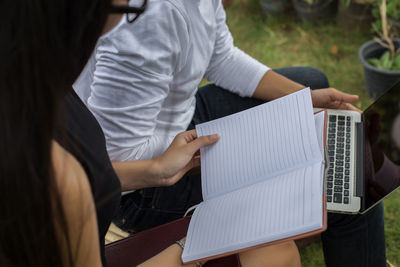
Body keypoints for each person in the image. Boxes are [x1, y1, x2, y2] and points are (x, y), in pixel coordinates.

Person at [74, 0, 387, 266]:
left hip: (179, 122)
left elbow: (220, 56)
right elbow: (117, 156)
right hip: (141, 190)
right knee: (349, 186)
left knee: (311, 81)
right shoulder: (149, 20)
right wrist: (255, 141)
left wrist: (303, 99)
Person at [0, 0, 301, 266]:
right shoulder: (56, 173)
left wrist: (156, 170)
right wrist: (191, 248)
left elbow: (98, 171)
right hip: (128, 202)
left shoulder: (41, 100)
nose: (124, 22)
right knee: (276, 243)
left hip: (154, 152)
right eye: (127, 9)